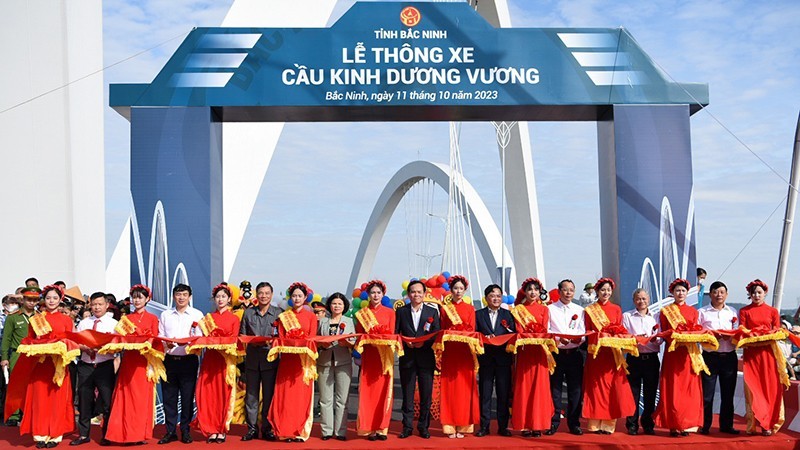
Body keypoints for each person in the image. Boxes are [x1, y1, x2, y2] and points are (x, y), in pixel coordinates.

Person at [18, 285, 76, 448]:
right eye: (49, 298)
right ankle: (40, 435)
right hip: (40, 366)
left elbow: (70, 341)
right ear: (44, 299)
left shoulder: (66, 320)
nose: (51, 301)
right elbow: (29, 340)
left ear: (60, 300)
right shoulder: (36, 319)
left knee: (56, 400)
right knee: (40, 400)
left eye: (55, 298)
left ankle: (55, 435)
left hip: (58, 366)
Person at [104, 284, 162, 445]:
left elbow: (155, 339)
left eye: (140, 297)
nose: (137, 300)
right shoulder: (126, 320)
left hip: (144, 363)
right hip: (129, 362)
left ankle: (140, 433)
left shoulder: (152, 319)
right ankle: (125, 433)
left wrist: (146, 344)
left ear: (147, 299)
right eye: (134, 297)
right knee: (126, 397)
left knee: (142, 399)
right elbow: (118, 339)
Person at [654, 278, 709, 436]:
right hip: (673, 354)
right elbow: (663, 333)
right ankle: (673, 424)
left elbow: (698, 330)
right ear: (672, 293)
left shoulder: (693, 311)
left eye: (683, 291)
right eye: (677, 290)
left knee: (688, 391)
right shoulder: (665, 312)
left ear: (687, 293)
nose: (680, 293)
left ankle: (685, 424)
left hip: (689, 355)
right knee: (674, 390)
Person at [582, 277, 636, 434]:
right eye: (602, 290)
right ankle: (593, 424)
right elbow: (587, 332)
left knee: (611, 388)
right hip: (596, 354)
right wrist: (599, 337)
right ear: (597, 291)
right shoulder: (590, 310)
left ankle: (608, 425)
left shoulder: (616, 309)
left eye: (608, 290)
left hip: (612, 354)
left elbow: (620, 329)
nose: (605, 293)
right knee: (596, 388)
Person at [268, 282, 318, 442]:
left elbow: (312, 339)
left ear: (305, 297)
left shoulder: (311, 316)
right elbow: (280, 338)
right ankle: (285, 430)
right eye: (294, 296)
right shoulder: (284, 316)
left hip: (303, 363)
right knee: (286, 397)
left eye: (300, 296)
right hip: (287, 362)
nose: (297, 298)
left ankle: (300, 431)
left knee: (301, 397)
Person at [191, 283, 241, 443]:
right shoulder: (207, 319)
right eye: (218, 297)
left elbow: (234, 341)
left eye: (223, 297)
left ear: (229, 299)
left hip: (225, 362)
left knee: (223, 395)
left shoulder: (234, 318)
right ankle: (210, 429)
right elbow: (199, 338)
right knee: (208, 395)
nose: (220, 299)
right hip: (210, 361)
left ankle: (221, 428)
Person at [737, 279, 786, 436]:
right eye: (753, 293)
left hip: (768, 354)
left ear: (765, 293)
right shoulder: (744, 311)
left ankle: (768, 424)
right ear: (749, 295)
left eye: (759, 292)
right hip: (752, 355)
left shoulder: (772, 311)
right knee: (753, 389)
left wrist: (767, 335)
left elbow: (777, 331)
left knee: (769, 389)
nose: (756, 295)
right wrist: (752, 335)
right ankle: (752, 424)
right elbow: (742, 330)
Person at [70, 292, 119, 446]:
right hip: (85, 365)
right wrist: (84, 347)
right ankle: (84, 435)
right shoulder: (84, 323)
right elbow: (76, 342)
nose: (97, 307)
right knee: (85, 400)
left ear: (106, 305)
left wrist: (105, 348)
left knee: (106, 402)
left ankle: (107, 434)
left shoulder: (114, 324)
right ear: (90, 305)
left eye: (100, 304)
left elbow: (118, 345)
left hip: (105, 365)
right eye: (94, 304)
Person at [157, 283, 203, 445]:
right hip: (169, 360)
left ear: (190, 297)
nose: (181, 297)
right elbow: (160, 335)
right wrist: (165, 345)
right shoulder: (165, 315)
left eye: (184, 294)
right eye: (178, 294)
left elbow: (199, 338)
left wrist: (190, 346)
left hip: (188, 361)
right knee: (169, 397)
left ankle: (185, 429)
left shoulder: (197, 315)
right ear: (173, 296)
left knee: (187, 397)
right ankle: (170, 431)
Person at [354, 279, 399, 440]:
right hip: (369, 357)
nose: (375, 295)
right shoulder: (361, 314)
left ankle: (382, 428)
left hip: (384, 358)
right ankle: (369, 428)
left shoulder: (390, 313)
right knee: (368, 393)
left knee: (384, 392)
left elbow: (392, 335)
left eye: (378, 292)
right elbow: (360, 335)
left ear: (383, 294)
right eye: (373, 292)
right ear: (368, 294)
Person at [396, 279, 440, 439]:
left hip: (426, 357)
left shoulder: (432, 312)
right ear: (408, 294)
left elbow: (436, 332)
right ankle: (407, 427)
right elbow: (395, 332)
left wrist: (424, 342)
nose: (416, 294)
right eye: (413, 292)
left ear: (424, 294)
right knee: (407, 394)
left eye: (419, 292)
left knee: (426, 394)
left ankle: (423, 426)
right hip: (407, 357)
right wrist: (404, 341)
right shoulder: (401, 311)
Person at [510, 277, 554, 437]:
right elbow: (519, 330)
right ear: (525, 292)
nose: (533, 292)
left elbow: (545, 328)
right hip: (525, 352)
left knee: (540, 388)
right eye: (530, 289)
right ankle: (525, 425)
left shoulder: (544, 309)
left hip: (540, 353)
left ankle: (538, 424)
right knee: (525, 387)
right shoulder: (518, 310)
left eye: (536, 290)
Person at [436, 275, 479, 438]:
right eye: (455, 288)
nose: (458, 291)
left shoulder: (470, 309)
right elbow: (442, 330)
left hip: (465, 353)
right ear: (451, 290)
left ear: (465, 290)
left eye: (461, 289)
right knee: (450, 389)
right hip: (450, 352)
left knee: (465, 389)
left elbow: (473, 330)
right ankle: (449, 426)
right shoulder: (445, 309)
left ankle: (464, 426)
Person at [239, 281, 282, 441]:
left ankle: (267, 428)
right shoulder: (248, 313)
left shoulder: (279, 313)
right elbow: (242, 335)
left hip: (270, 360)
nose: (264, 296)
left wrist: (272, 342)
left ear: (271, 295)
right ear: (256, 295)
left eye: (267, 293)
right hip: (252, 360)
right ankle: (251, 429)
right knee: (251, 396)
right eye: (261, 293)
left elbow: (283, 337)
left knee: (269, 396)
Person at [698, 281, 740, 435]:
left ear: (727, 294)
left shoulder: (733, 312)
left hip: (729, 356)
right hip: (709, 357)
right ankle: (704, 425)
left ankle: (726, 425)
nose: (719, 295)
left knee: (728, 394)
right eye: (715, 292)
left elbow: (738, 332)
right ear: (710, 294)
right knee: (707, 394)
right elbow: (696, 334)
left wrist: (731, 337)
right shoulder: (702, 312)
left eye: (722, 292)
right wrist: (711, 336)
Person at [475, 284, 515, 437]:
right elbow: (475, 334)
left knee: (503, 394)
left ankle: (503, 427)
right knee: (485, 394)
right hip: (486, 359)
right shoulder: (478, 315)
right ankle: (484, 427)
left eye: (499, 296)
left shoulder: (508, 315)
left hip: (503, 359)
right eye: (493, 296)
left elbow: (513, 333)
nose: (496, 298)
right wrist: (485, 338)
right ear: (486, 298)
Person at [546, 279, 586, 436]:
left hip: (574, 353)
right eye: (565, 289)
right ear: (559, 291)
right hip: (557, 353)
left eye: (571, 290)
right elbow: (547, 329)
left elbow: (582, 330)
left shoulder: (580, 309)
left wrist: (578, 339)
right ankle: (554, 422)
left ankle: (574, 423)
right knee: (555, 389)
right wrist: (558, 339)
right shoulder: (549, 309)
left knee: (575, 390)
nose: (568, 293)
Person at [316, 293, 354, 441]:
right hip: (324, 361)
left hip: (343, 361)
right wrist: (321, 343)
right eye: (334, 303)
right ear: (329, 306)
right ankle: (326, 430)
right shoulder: (322, 322)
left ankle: (340, 431)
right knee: (325, 399)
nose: (337, 306)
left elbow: (354, 341)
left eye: (340, 304)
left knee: (342, 399)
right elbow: (316, 340)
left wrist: (348, 343)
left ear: (344, 306)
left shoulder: (349, 321)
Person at [622, 289, 660, 435]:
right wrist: (635, 338)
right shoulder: (627, 316)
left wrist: (656, 339)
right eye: (638, 299)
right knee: (633, 393)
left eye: (644, 299)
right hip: (634, 358)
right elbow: (623, 336)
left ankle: (648, 423)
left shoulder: (656, 316)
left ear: (648, 299)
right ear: (634, 300)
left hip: (651, 358)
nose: (641, 301)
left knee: (650, 394)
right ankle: (631, 424)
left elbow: (661, 338)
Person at [1, 287, 39, 426]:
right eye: (29, 299)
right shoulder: (13, 317)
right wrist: (4, 358)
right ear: (22, 300)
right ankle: (14, 415)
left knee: (33, 385)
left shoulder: (40, 317)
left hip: (35, 355)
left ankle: (30, 412)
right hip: (18, 353)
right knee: (16, 385)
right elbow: (6, 339)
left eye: (35, 299)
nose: (31, 302)